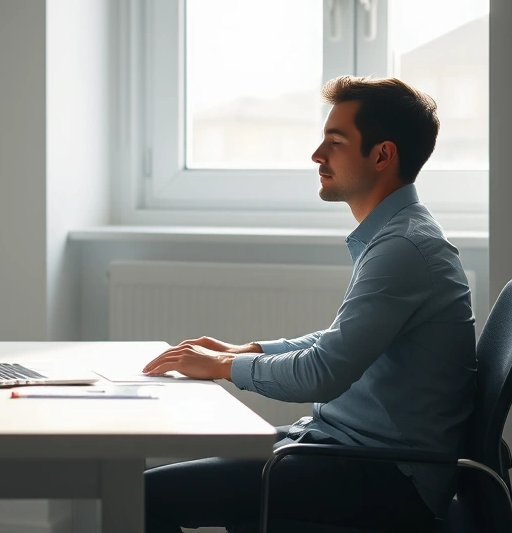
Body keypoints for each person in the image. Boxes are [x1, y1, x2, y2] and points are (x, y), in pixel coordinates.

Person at [142, 76, 477, 532]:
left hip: (386, 476)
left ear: (382, 155)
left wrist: (223, 366)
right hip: (347, 449)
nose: (317, 156)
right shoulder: (396, 236)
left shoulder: (404, 248)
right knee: (151, 486)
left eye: (335, 143)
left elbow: (323, 372)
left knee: (144, 497)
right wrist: (248, 351)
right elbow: (339, 343)